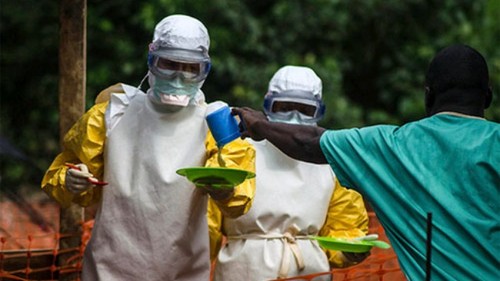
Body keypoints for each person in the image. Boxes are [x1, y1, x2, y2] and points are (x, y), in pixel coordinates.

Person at [233, 44, 499, 280]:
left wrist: (259, 125)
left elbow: (309, 142)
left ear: (428, 96)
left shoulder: (392, 146)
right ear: (487, 97)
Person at [41, 15, 255, 281]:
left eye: (190, 68)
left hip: (182, 271)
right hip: (109, 269)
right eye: (169, 64)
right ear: (151, 59)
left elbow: (239, 202)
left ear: (204, 69)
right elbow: (62, 175)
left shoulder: (215, 124)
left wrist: (225, 190)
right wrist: (70, 178)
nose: (179, 75)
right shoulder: (112, 113)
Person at [208, 66, 370, 281]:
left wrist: (350, 249)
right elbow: (207, 223)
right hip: (245, 270)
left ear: (318, 111)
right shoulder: (241, 149)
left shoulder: (329, 162)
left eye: (305, 109)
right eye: (284, 107)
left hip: (310, 271)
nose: (294, 117)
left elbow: (345, 225)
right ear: (268, 106)